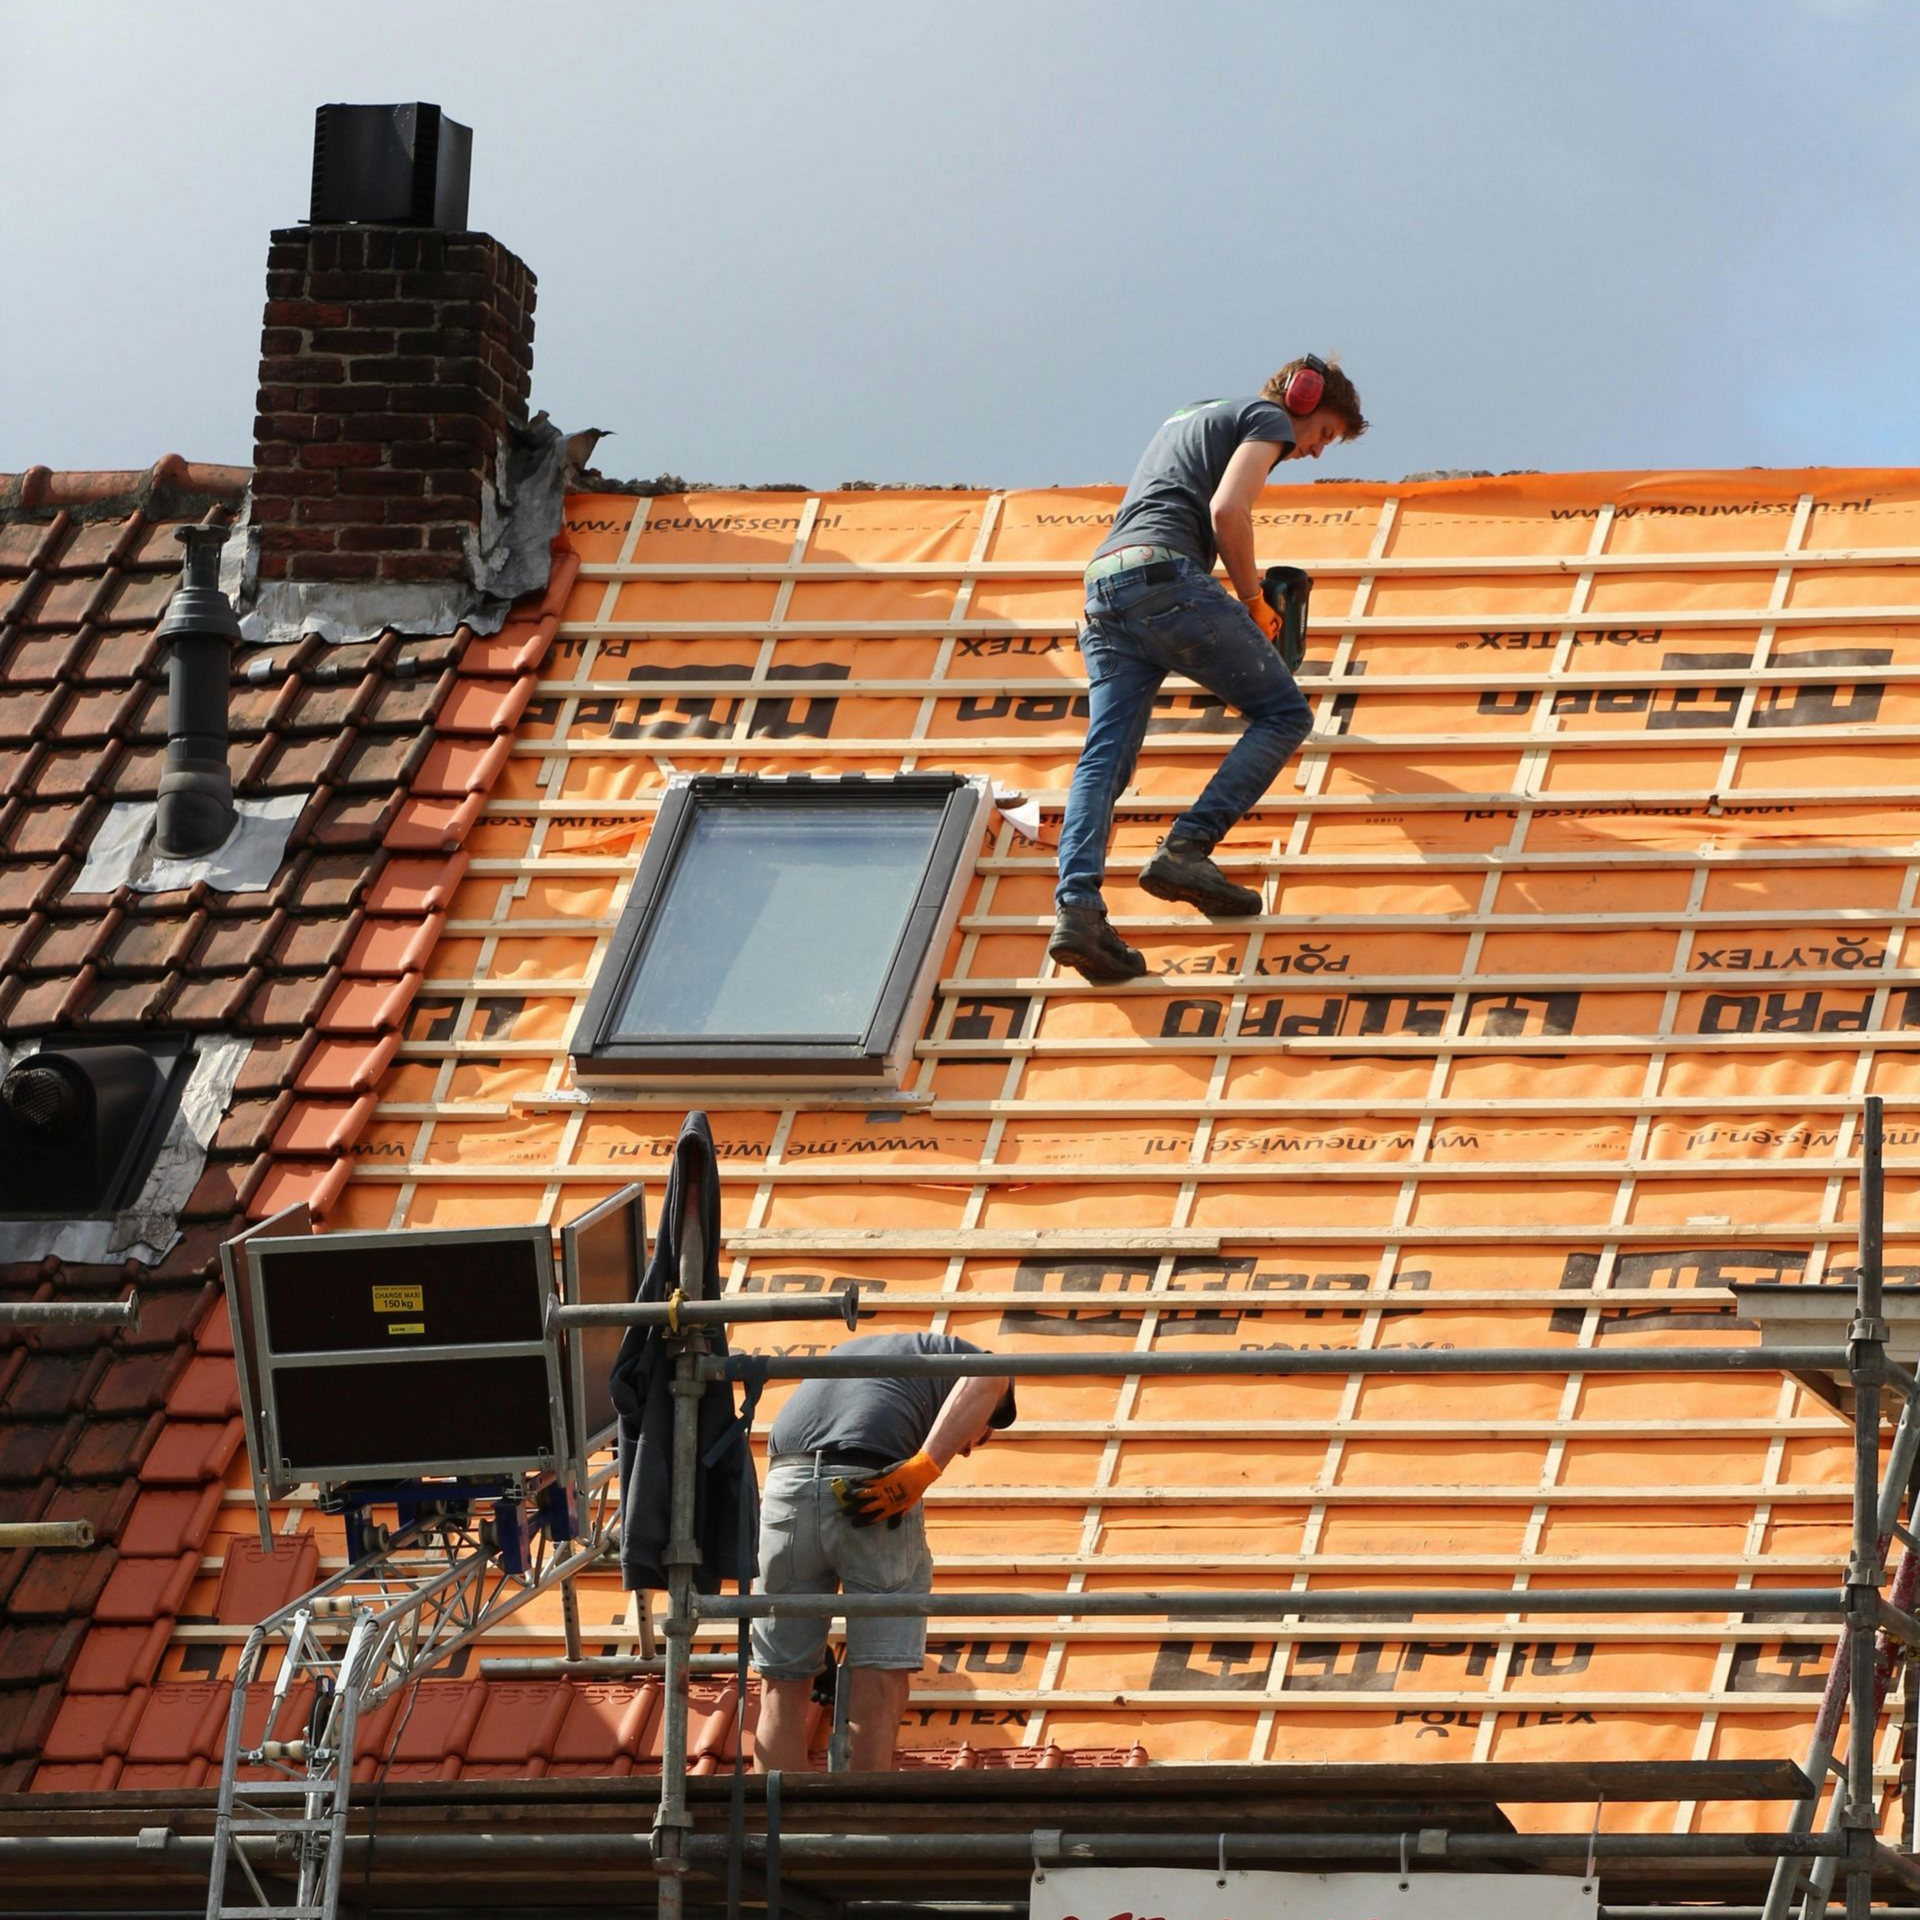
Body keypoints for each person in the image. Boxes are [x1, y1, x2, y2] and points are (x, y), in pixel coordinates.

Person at [1048, 356, 1369, 983]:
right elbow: (1228, 510)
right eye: (1325, 434)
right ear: (1305, 399)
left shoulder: (1193, 414)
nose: (1315, 451)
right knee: (1283, 713)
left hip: (1103, 591)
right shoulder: (1270, 418)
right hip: (1163, 575)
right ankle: (1186, 851)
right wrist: (1252, 601)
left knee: (1103, 760)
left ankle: (1078, 911)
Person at [750, 1331, 1016, 1772]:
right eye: (980, 1438)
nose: (967, 1449)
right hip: (871, 1479)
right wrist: (925, 1466)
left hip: (785, 1486)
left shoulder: (856, 1356)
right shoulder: (963, 1364)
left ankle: (775, 1831)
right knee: (880, 1672)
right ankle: (862, 1829)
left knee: (782, 1680)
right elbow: (992, 1374)